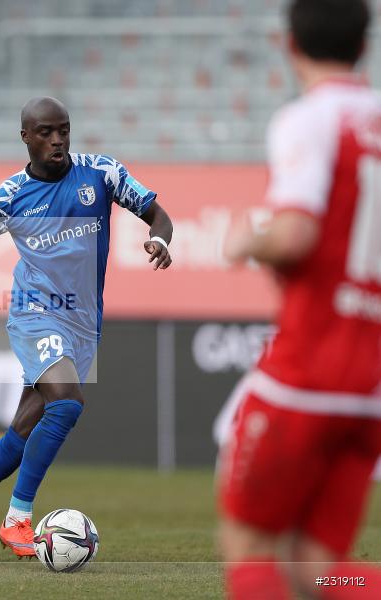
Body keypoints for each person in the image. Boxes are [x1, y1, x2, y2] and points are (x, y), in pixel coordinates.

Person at [0, 96, 173, 560]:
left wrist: (160, 238)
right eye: (46, 132)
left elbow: (157, 214)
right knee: (66, 404)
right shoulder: (7, 198)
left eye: (63, 130)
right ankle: (17, 520)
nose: (58, 140)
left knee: (19, 438)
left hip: (84, 323)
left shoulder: (102, 174)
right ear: (25, 137)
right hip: (35, 314)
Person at [219, 1, 381, 597]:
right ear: (365, 44)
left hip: (307, 372)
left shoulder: (309, 120)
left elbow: (296, 233)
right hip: (369, 389)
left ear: (290, 44)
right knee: (320, 568)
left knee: (249, 544)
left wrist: (245, 241)